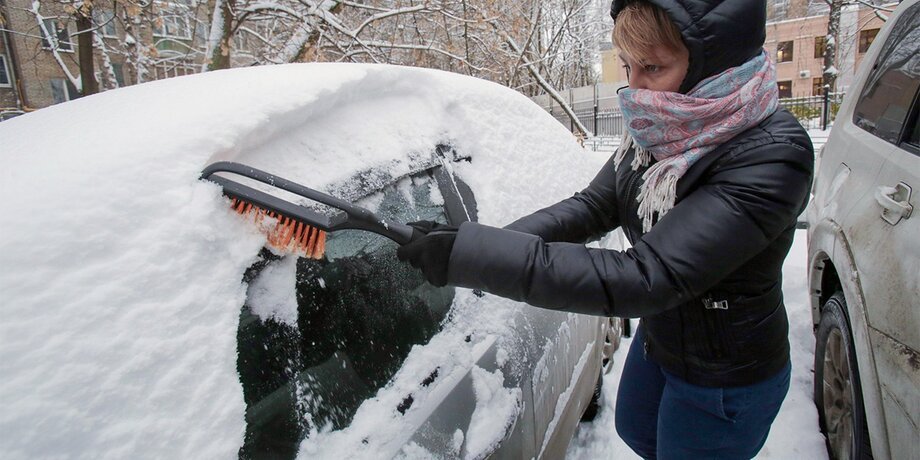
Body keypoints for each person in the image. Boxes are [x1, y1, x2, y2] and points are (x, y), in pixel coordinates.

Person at [397, 0, 814, 458]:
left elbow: (645, 276)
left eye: (652, 67)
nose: (634, 88)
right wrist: (479, 242)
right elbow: (596, 205)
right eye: (628, 66)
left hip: (725, 376)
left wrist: (471, 258)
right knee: (636, 430)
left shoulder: (772, 156)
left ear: (714, 65)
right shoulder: (661, 127)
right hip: (664, 339)